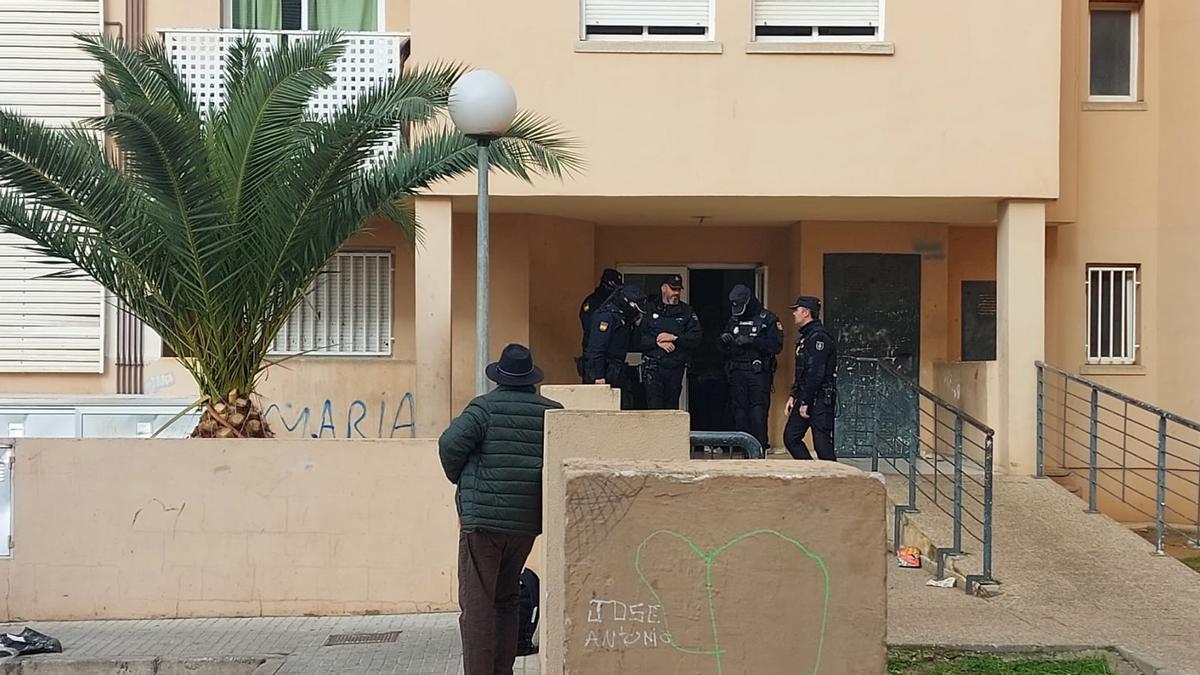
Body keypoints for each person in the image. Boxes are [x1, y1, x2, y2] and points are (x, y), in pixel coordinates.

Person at [438, 344, 563, 675]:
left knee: (478, 604)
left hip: (482, 524)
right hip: (525, 524)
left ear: (500, 378)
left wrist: (461, 482)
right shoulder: (552, 412)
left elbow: (449, 445)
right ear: (530, 379)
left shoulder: (483, 409)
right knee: (506, 599)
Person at [720, 284, 783, 451]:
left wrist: (753, 341)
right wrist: (725, 341)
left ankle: (759, 448)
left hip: (758, 372)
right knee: (739, 412)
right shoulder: (734, 319)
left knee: (758, 413)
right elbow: (723, 351)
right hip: (737, 371)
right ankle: (741, 449)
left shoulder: (767, 318)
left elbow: (776, 346)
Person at [784, 296, 838, 461]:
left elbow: (816, 372)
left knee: (822, 444)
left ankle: (834, 480)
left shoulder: (818, 337)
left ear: (806, 313)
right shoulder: (806, 337)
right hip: (804, 395)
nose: (794, 313)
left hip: (819, 397)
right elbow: (803, 371)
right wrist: (794, 395)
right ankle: (812, 473)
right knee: (791, 437)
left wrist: (806, 401)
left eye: (797, 310)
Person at [639, 274, 701, 410]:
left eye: (678, 290)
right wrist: (657, 342)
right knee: (654, 408)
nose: (676, 293)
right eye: (673, 289)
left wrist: (675, 338)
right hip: (653, 367)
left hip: (675, 368)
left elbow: (695, 338)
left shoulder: (686, 311)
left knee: (672, 408)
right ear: (664, 288)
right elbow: (637, 339)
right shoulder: (650, 309)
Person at [582, 284, 647, 394]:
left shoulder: (622, 317)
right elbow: (597, 347)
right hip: (604, 371)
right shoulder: (607, 316)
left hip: (616, 369)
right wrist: (599, 375)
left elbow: (631, 343)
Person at [576, 268, 623, 382]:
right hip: (594, 360)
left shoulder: (615, 303)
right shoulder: (593, 302)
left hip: (612, 361)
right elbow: (591, 329)